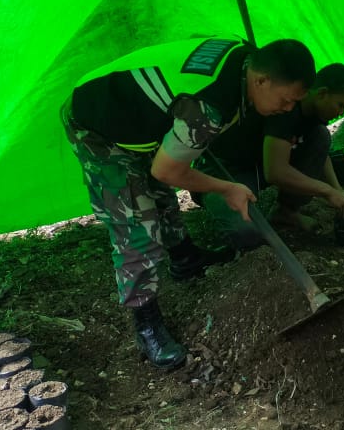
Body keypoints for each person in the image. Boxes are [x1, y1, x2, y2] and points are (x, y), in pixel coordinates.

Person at [61, 36, 315, 370]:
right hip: (97, 123)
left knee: (157, 191)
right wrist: (227, 188)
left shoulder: (244, 59)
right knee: (135, 221)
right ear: (261, 80)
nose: (288, 109)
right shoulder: (209, 105)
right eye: (285, 100)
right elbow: (168, 169)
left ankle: (184, 258)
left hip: (139, 112)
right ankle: (146, 323)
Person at [195, 63, 344, 249]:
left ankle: (286, 212)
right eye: (341, 105)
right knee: (247, 234)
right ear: (322, 93)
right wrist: (327, 191)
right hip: (225, 170)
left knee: (321, 135)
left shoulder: (312, 112)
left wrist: (337, 189)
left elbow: (320, 155)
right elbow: (275, 172)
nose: (342, 112)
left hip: (259, 163)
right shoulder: (286, 107)